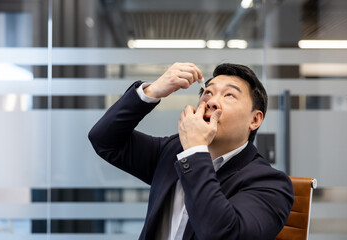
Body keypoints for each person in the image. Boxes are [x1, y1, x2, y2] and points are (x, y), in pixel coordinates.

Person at [88, 62, 294, 240]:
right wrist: (151, 92)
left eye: (229, 95)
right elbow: (105, 140)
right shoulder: (172, 151)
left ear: (255, 120)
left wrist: (195, 151)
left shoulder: (270, 184)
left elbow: (222, 235)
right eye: (207, 92)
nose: (211, 101)